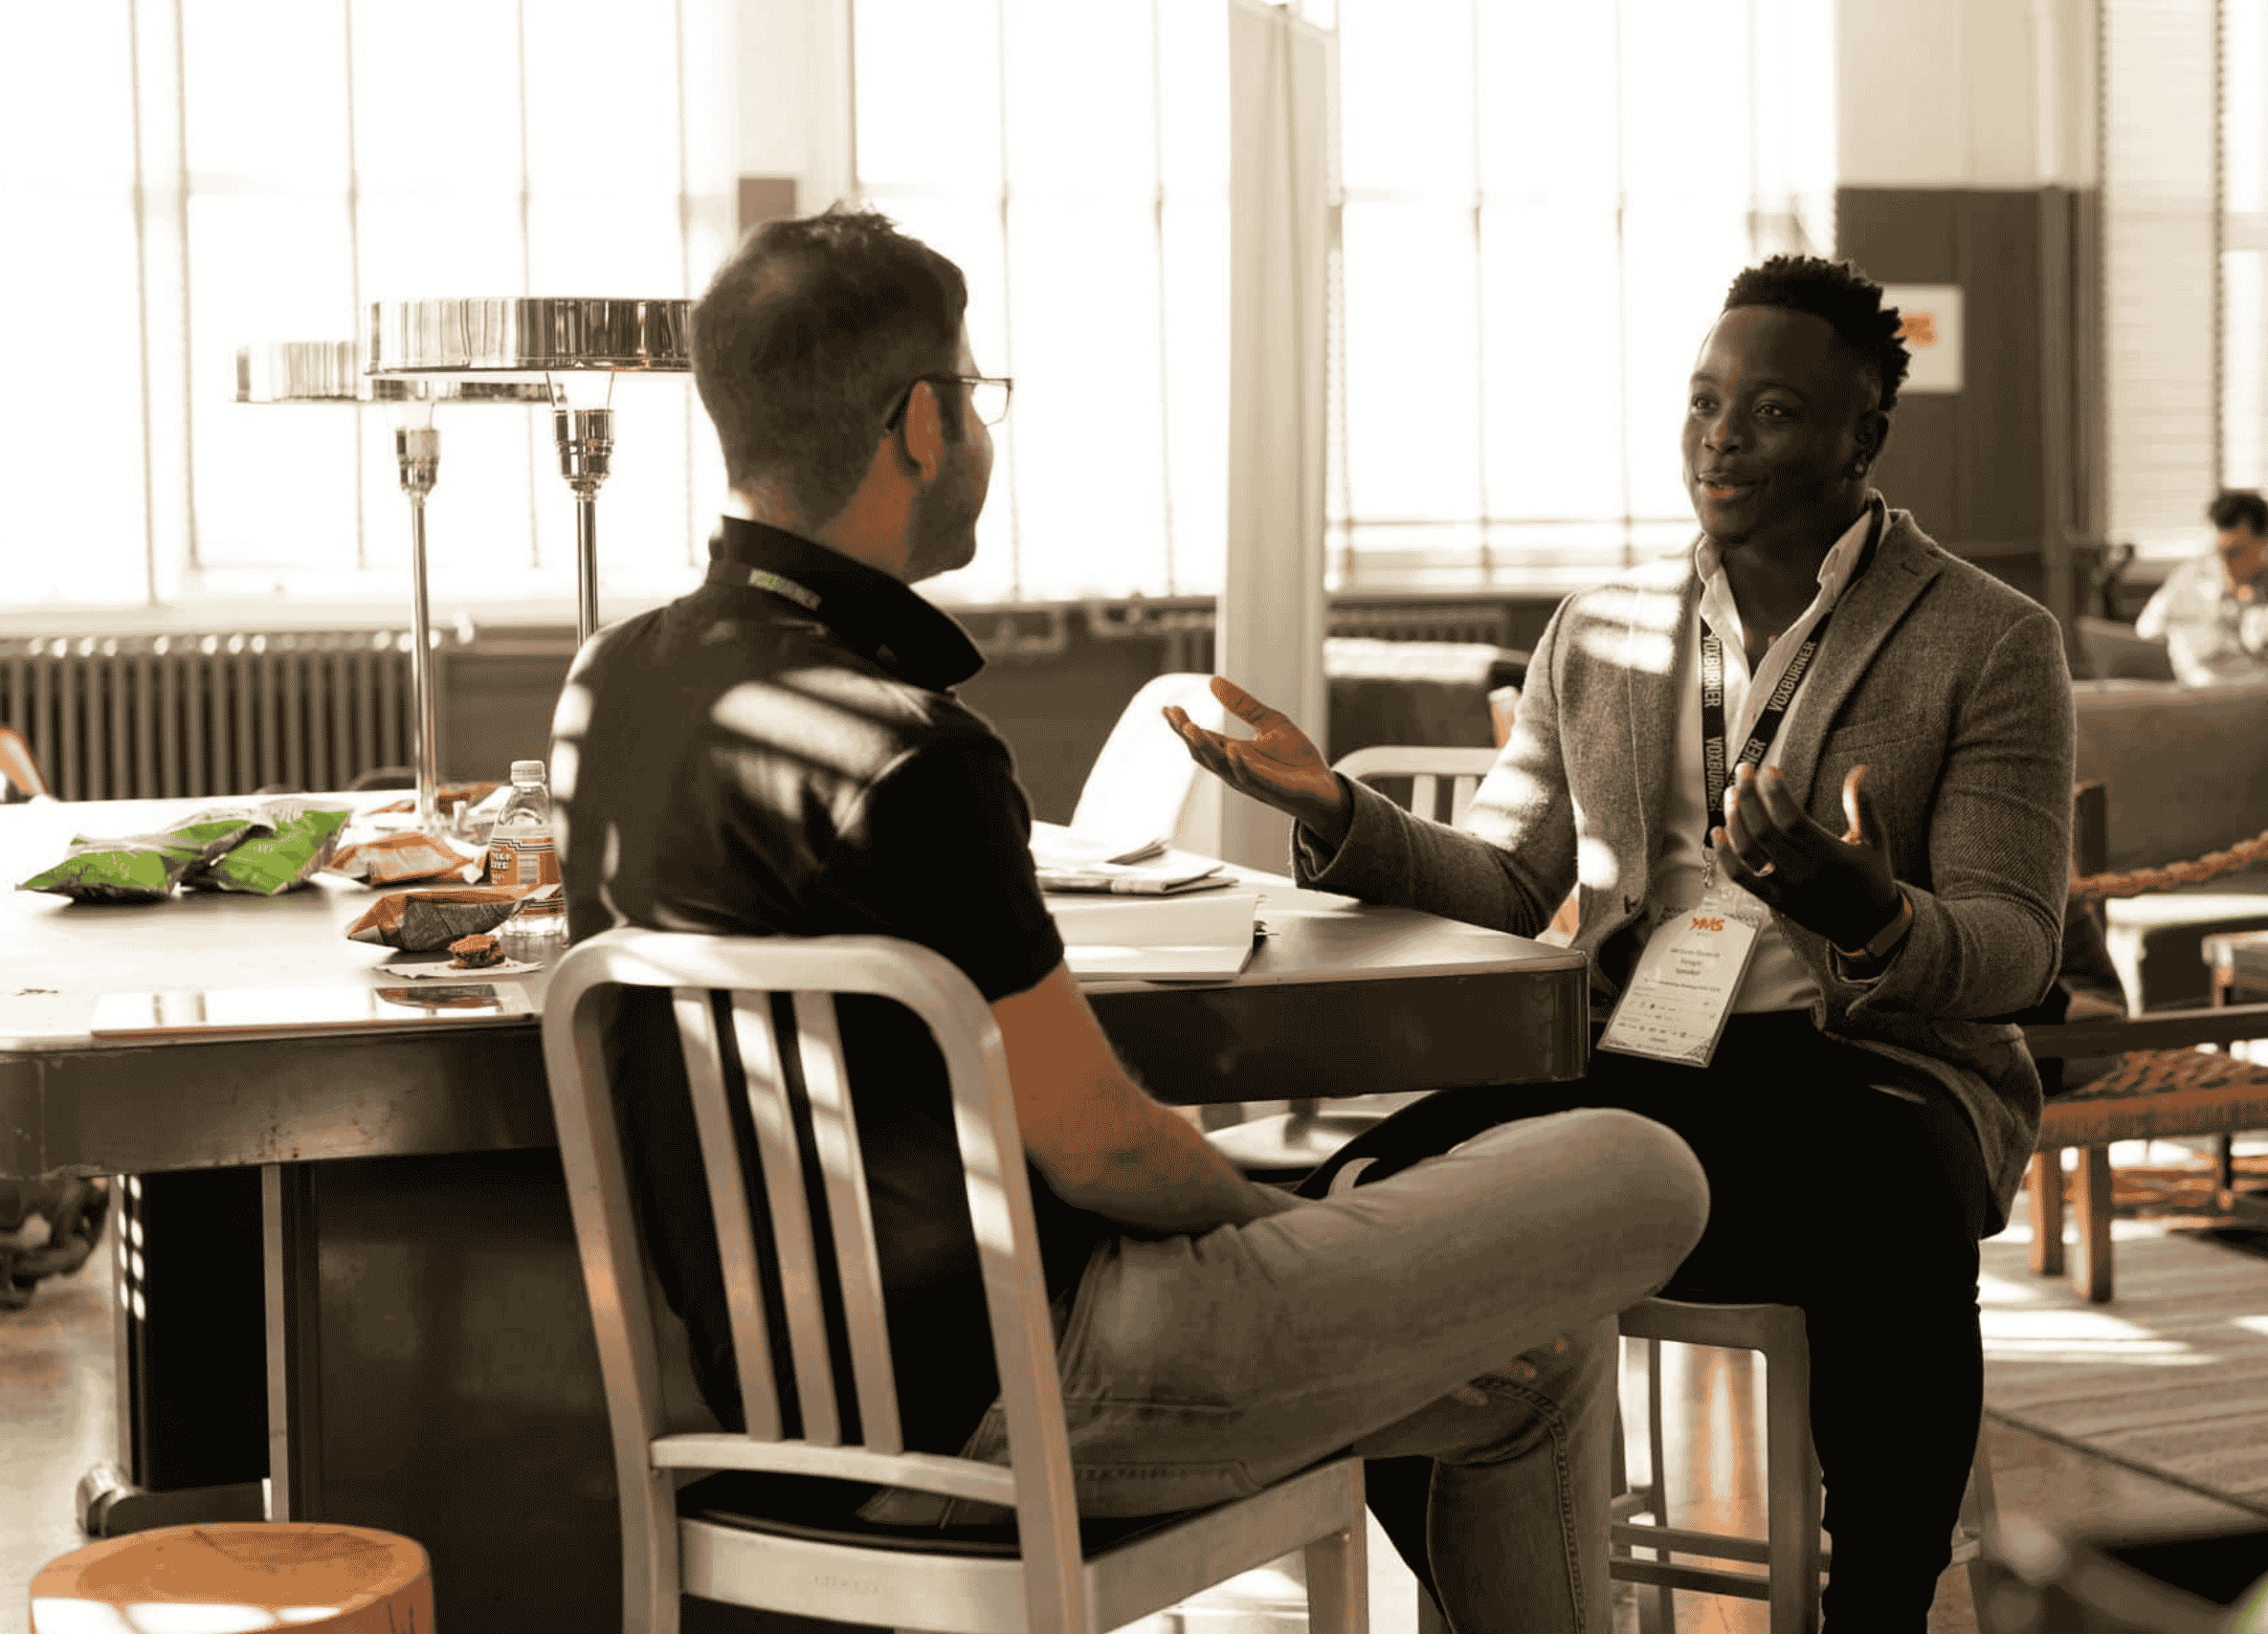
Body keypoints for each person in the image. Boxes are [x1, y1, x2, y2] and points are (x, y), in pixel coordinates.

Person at [550, 206, 1708, 1634]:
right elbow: (1097, 1143)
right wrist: (1286, 1229)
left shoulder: (612, 683)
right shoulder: (912, 752)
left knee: (1539, 1365)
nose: (980, 431)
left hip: (770, 1407)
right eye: (976, 393)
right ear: (921, 421)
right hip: (1031, 1391)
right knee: (1644, 1163)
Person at [1168, 254, 2075, 1630]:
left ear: (1862, 437)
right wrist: (1340, 813)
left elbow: (2018, 945)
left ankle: (1879, 1605)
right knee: (1366, 1198)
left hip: (1872, 1071)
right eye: (1704, 401)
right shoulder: (1597, 631)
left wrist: (1872, 912)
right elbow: (1505, 878)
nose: (1722, 436)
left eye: (1772, 410)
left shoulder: (1988, 638)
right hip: (1639, 1066)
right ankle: (1509, 1604)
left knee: (1890, 1205)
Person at [2133, 489, 2268, 687]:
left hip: (2264, 701)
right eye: (2218, 552)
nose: (2225, 565)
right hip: (2190, 701)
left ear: (2266, 539)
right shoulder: (2192, 577)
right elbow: (2146, 636)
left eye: (2236, 553)